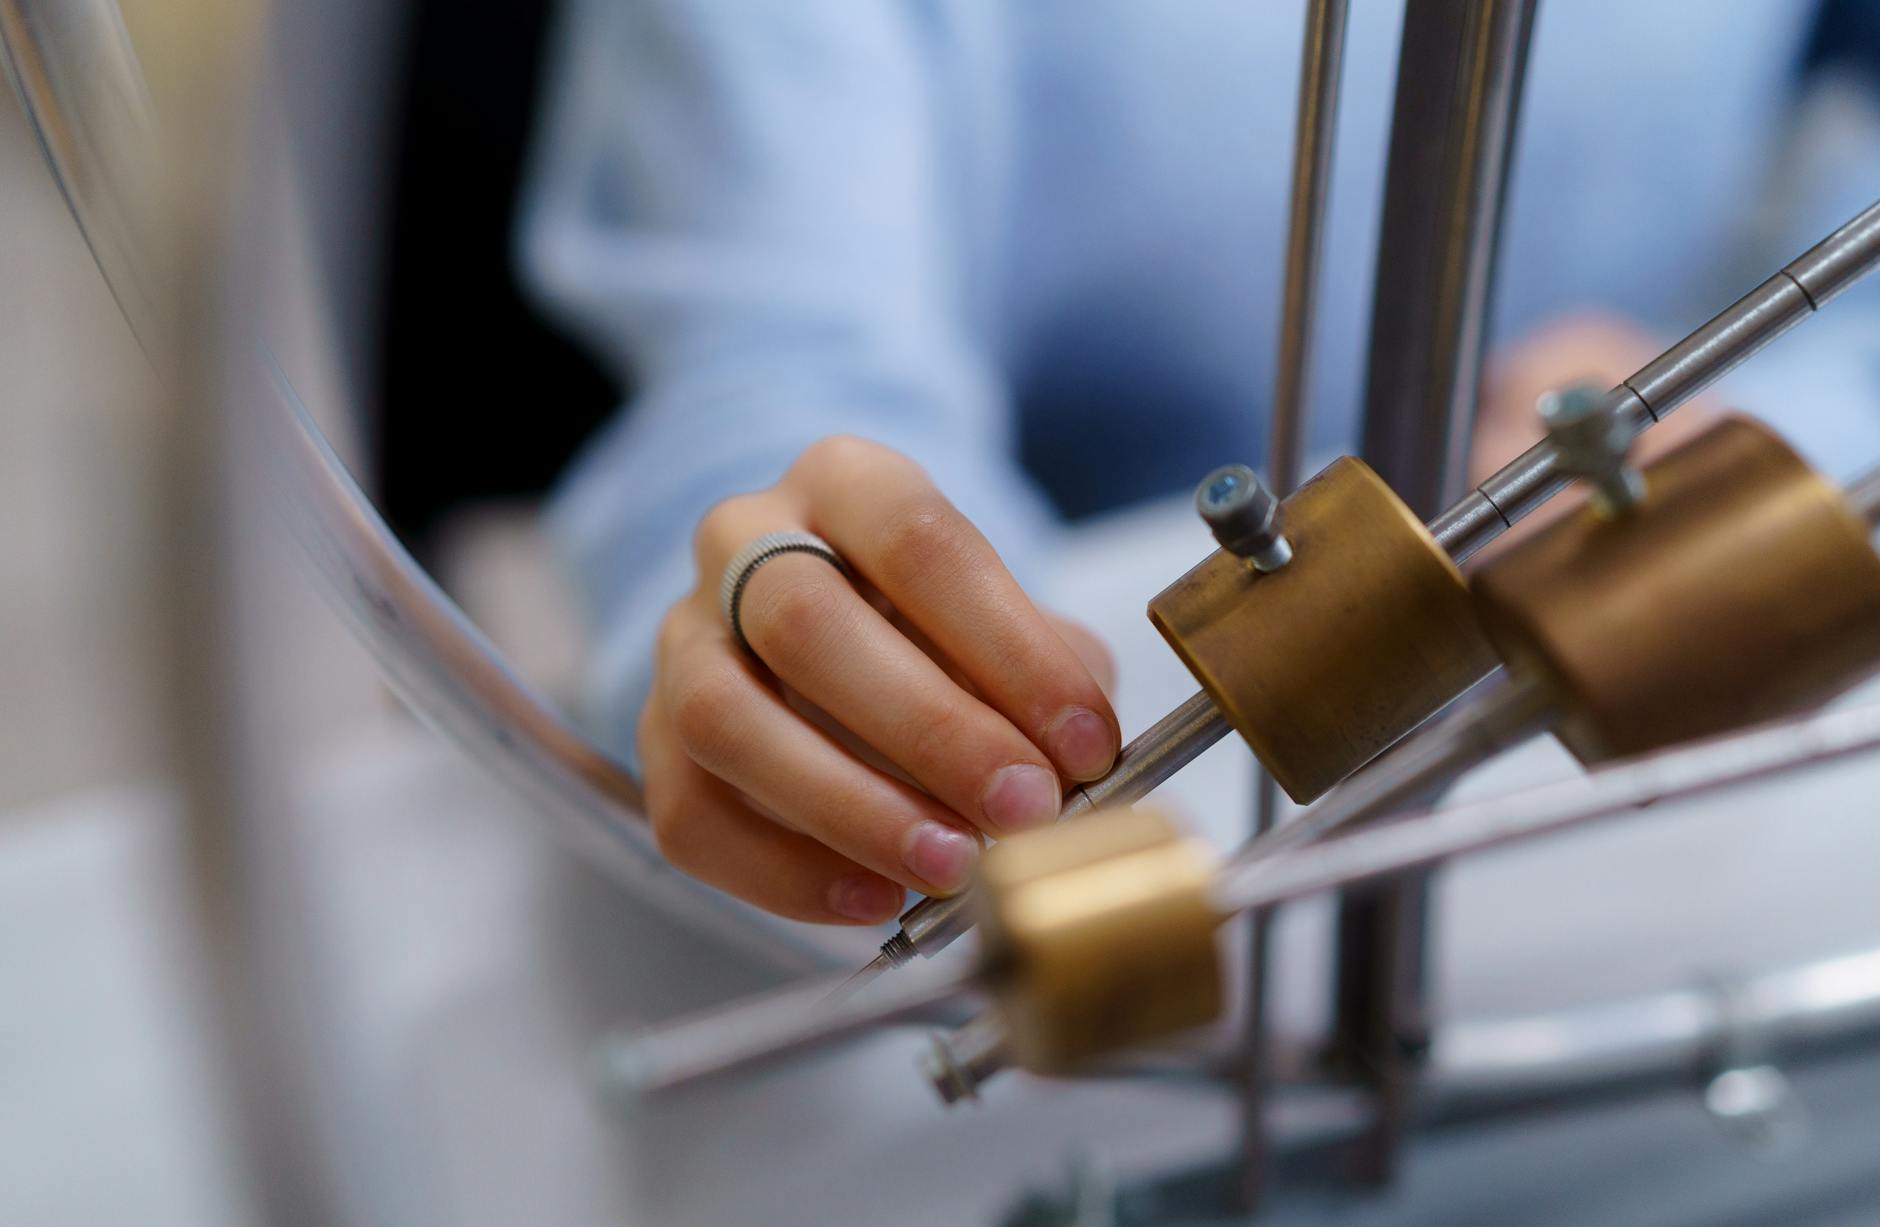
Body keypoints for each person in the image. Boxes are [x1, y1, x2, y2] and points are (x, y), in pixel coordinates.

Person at [517, 0, 1880, 928]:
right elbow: (775, 364)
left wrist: (1789, 425)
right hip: (1109, 788)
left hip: (1675, 845)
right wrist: (821, 622)